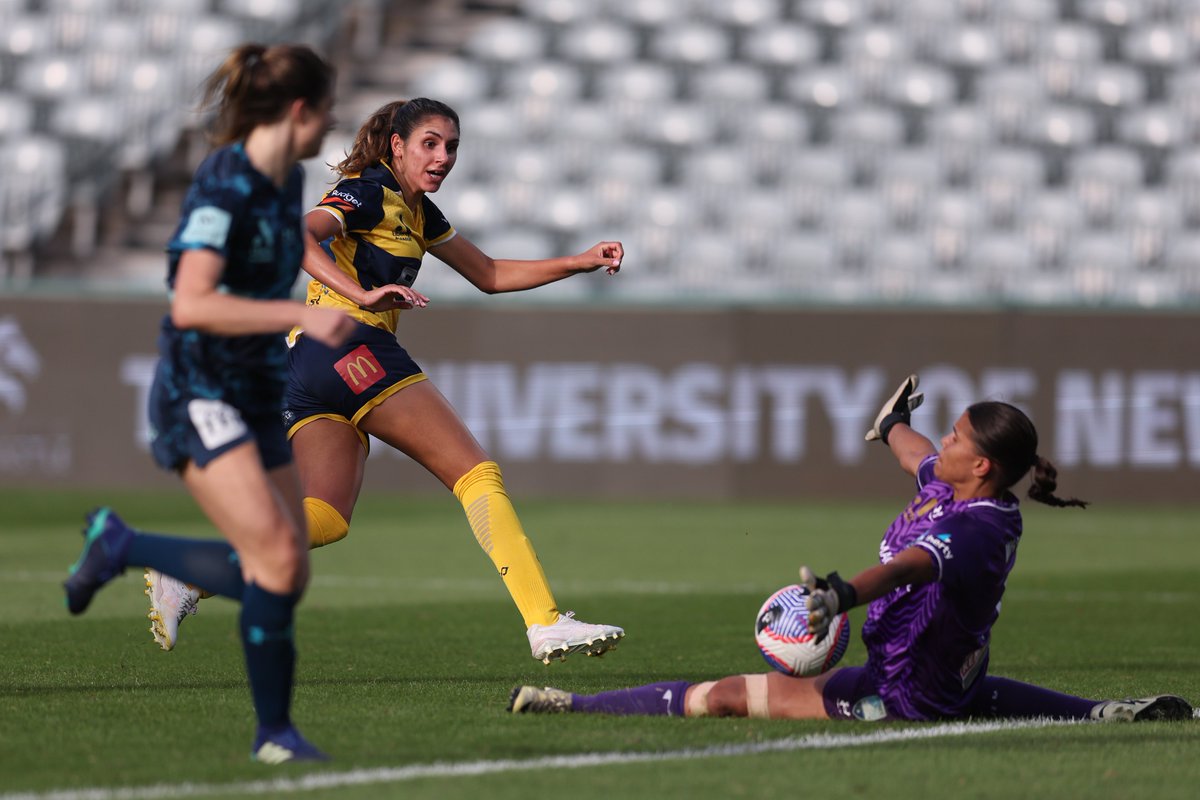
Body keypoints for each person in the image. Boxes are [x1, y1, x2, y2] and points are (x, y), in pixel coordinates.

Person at [144, 97, 626, 664]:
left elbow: (490, 275)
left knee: (325, 517)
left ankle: (188, 575)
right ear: (397, 145)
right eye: (430, 143)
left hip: (308, 366)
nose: (443, 156)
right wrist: (360, 294)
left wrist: (579, 261)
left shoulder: (419, 212)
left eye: (452, 147)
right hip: (351, 345)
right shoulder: (370, 189)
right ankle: (544, 622)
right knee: (475, 474)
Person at [507, 375, 1193, 723]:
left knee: (725, 698)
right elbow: (916, 456)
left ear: (982, 466)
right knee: (978, 695)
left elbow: (911, 566)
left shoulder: (980, 527)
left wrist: (843, 594)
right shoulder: (951, 487)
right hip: (940, 668)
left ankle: (574, 705)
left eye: (959, 437)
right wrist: (895, 423)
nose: (944, 443)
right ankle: (1105, 710)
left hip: (905, 691)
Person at [63, 43, 358, 763]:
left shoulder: (283, 179)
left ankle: (122, 545)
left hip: (254, 388)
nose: (331, 125)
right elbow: (192, 302)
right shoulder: (224, 183)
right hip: (200, 390)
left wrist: (345, 295)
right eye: (326, 110)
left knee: (288, 570)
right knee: (280, 559)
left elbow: (280, 254)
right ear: (300, 111)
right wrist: (304, 316)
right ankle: (275, 736)